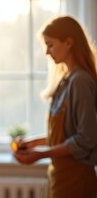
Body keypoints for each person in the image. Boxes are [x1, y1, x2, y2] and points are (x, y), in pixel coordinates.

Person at [13, 16, 97, 198]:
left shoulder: (80, 81)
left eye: (50, 45)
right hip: (60, 177)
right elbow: (65, 135)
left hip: (77, 179)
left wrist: (40, 155)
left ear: (68, 42)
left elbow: (85, 139)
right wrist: (33, 144)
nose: (46, 52)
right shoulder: (66, 81)